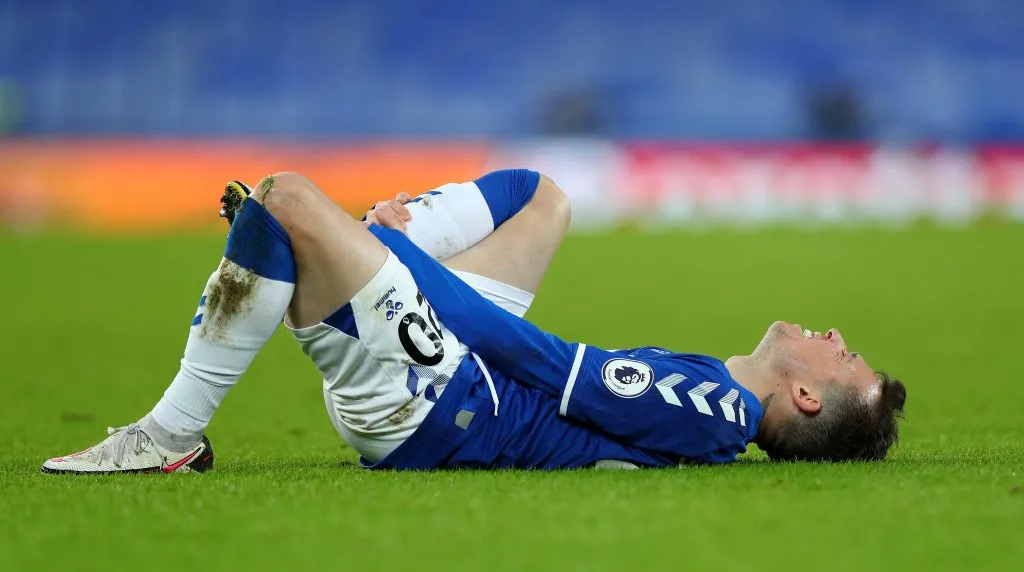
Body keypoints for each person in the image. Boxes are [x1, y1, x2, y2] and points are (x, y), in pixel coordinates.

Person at [41, 169, 906, 474]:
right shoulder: (714, 403)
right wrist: (406, 241)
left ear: (802, 395)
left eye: (846, 356)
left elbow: (529, 353)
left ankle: (170, 434)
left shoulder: (709, 407)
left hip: (447, 400)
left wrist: (401, 263)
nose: (836, 336)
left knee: (285, 200)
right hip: (469, 382)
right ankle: (376, 245)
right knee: (545, 201)